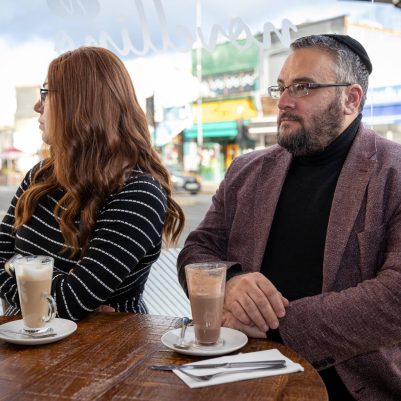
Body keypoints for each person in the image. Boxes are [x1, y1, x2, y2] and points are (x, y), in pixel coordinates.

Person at [177, 34, 401, 401]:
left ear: (351, 98)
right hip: (237, 369)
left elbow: (395, 297)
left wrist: (275, 323)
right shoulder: (246, 170)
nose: (283, 101)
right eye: (280, 88)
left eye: (303, 87)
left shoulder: (394, 172)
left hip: (352, 385)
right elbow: (197, 249)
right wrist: (229, 281)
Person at [0, 46, 184, 321]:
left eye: (45, 94)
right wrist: (47, 292)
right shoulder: (40, 176)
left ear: (81, 103)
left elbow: (68, 301)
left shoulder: (138, 194)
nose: (38, 106)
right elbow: (62, 300)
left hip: (103, 355)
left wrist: (13, 268)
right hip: (20, 348)